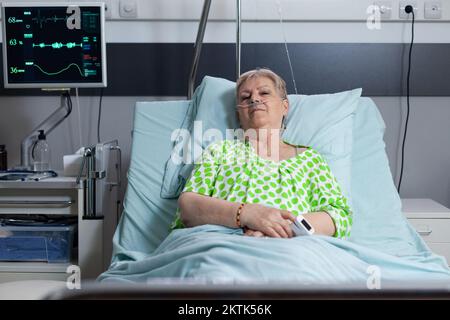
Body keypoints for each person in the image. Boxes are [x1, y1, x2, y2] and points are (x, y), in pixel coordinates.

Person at [173, 68, 352, 239]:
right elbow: (188, 207)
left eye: (264, 93)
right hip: (221, 244)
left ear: (285, 106)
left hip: (293, 248)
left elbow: (339, 216)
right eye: (245, 97)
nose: (254, 99)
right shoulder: (220, 151)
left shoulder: (310, 159)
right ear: (238, 114)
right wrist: (245, 213)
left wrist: (282, 230)